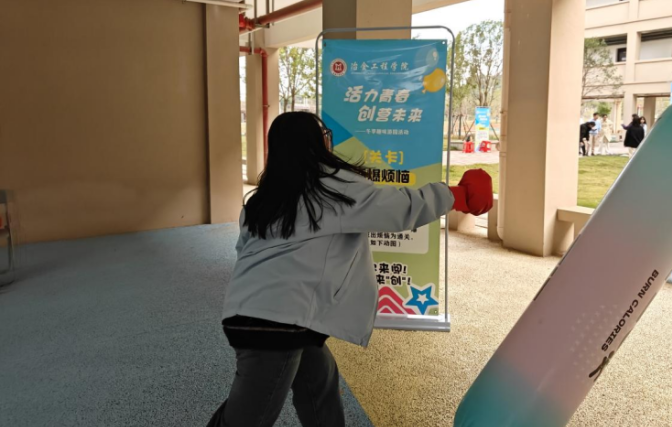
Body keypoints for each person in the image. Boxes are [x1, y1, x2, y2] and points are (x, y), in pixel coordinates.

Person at [206, 112, 493, 427]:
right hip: (281, 322)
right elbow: (398, 208)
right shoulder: (332, 189)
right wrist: (456, 195)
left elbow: (243, 251)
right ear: (316, 143)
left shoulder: (261, 200)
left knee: (320, 379)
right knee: (247, 419)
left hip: (250, 312)